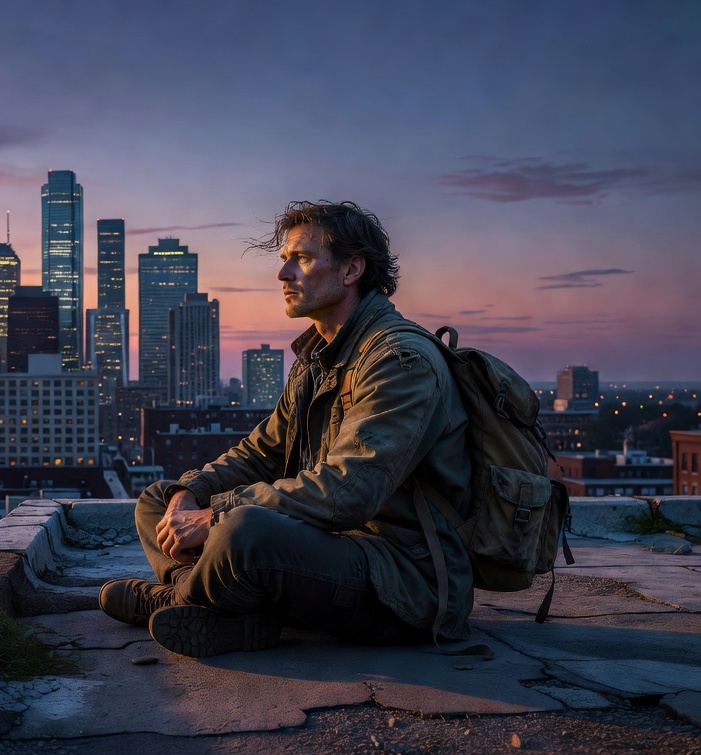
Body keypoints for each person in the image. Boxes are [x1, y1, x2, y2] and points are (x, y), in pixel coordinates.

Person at [100, 200, 474, 658]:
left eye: (302, 258)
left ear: (352, 268)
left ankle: (176, 598)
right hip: (332, 553)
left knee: (243, 531)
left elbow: (347, 493)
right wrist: (190, 494)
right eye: (284, 261)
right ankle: (222, 610)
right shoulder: (319, 357)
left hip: (402, 581)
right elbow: (260, 454)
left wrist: (216, 515)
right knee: (160, 498)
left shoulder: (399, 361)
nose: (283, 275)